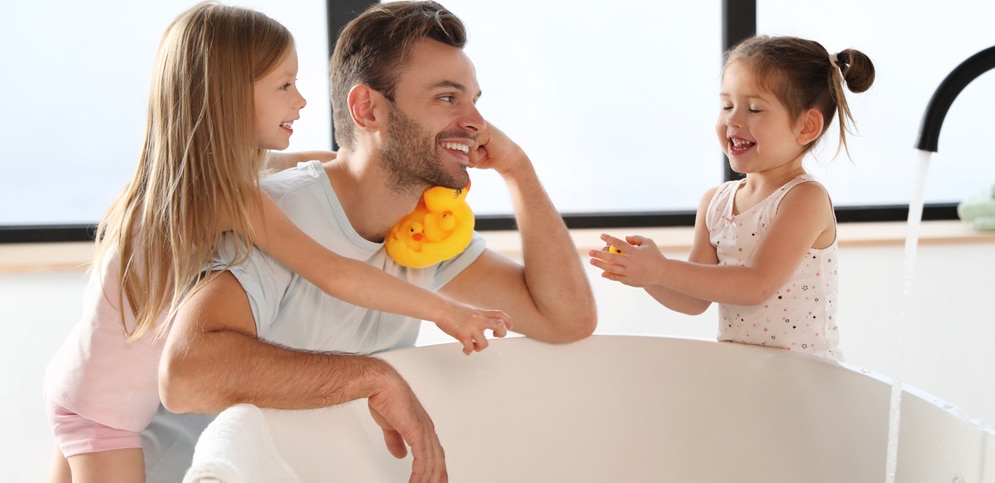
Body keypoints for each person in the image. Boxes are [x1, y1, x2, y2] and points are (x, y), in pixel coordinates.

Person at [43, 3, 518, 482]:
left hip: (84, 381)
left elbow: (321, 164)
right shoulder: (231, 198)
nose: (302, 102)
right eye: (285, 85)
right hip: (106, 413)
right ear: (228, 95)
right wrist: (445, 311)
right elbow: (334, 272)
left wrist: (375, 158)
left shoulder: (197, 176)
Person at [151, 1, 597, 481]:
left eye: (474, 100)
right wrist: (372, 377)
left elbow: (565, 319)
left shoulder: (423, 232)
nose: (477, 123)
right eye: (448, 99)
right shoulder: (277, 213)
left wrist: (518, 170)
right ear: (368, 109)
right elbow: (186, 376)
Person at [589, 35, 875, 361]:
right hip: (744, 376)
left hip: (807, 383)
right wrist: (647, 276)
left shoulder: (804, 199)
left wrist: (663, 269)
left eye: (754, 108)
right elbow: (694, 299)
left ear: (807, 126)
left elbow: (755, 285)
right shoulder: (715, 203)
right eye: (726, 105)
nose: (732, 120)